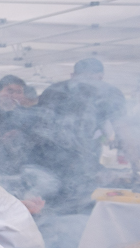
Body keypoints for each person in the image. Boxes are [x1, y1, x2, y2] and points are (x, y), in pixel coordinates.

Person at [33, 58, 126, 211]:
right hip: (54, 167)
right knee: (66, 210)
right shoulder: (54, 92)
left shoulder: (53, 90)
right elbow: (124, 131)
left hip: (58, 168)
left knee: (57, 212)